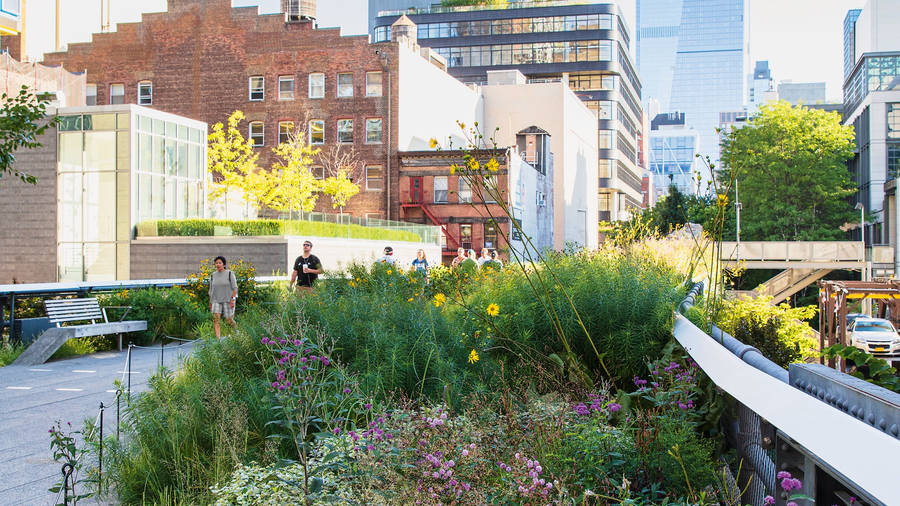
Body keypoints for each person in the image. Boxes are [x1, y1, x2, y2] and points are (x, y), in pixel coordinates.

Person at [208, 256, 238, 339]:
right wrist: (210, 302)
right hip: (215, 300)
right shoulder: (213, 275)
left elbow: (235, 288)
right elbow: (211, 290)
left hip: (228, 300)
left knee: (229, 320)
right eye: (216, 263)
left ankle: (236, 333)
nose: (218, 264)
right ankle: (218, 340)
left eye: (219, 263)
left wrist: (233, 299)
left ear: (224, 264)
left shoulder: (229, 273)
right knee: (216, 320)